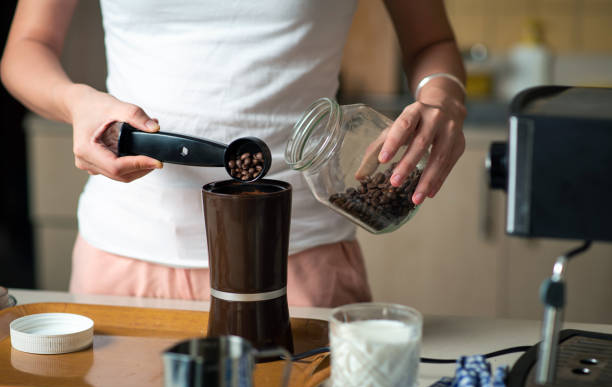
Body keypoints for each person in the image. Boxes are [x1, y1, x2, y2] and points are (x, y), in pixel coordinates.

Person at [1, 0, 466, 307]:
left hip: (299, 259)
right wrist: (76, 102)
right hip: (123, 256)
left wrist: (442, 98)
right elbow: (26, 47)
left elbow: (431, 42)